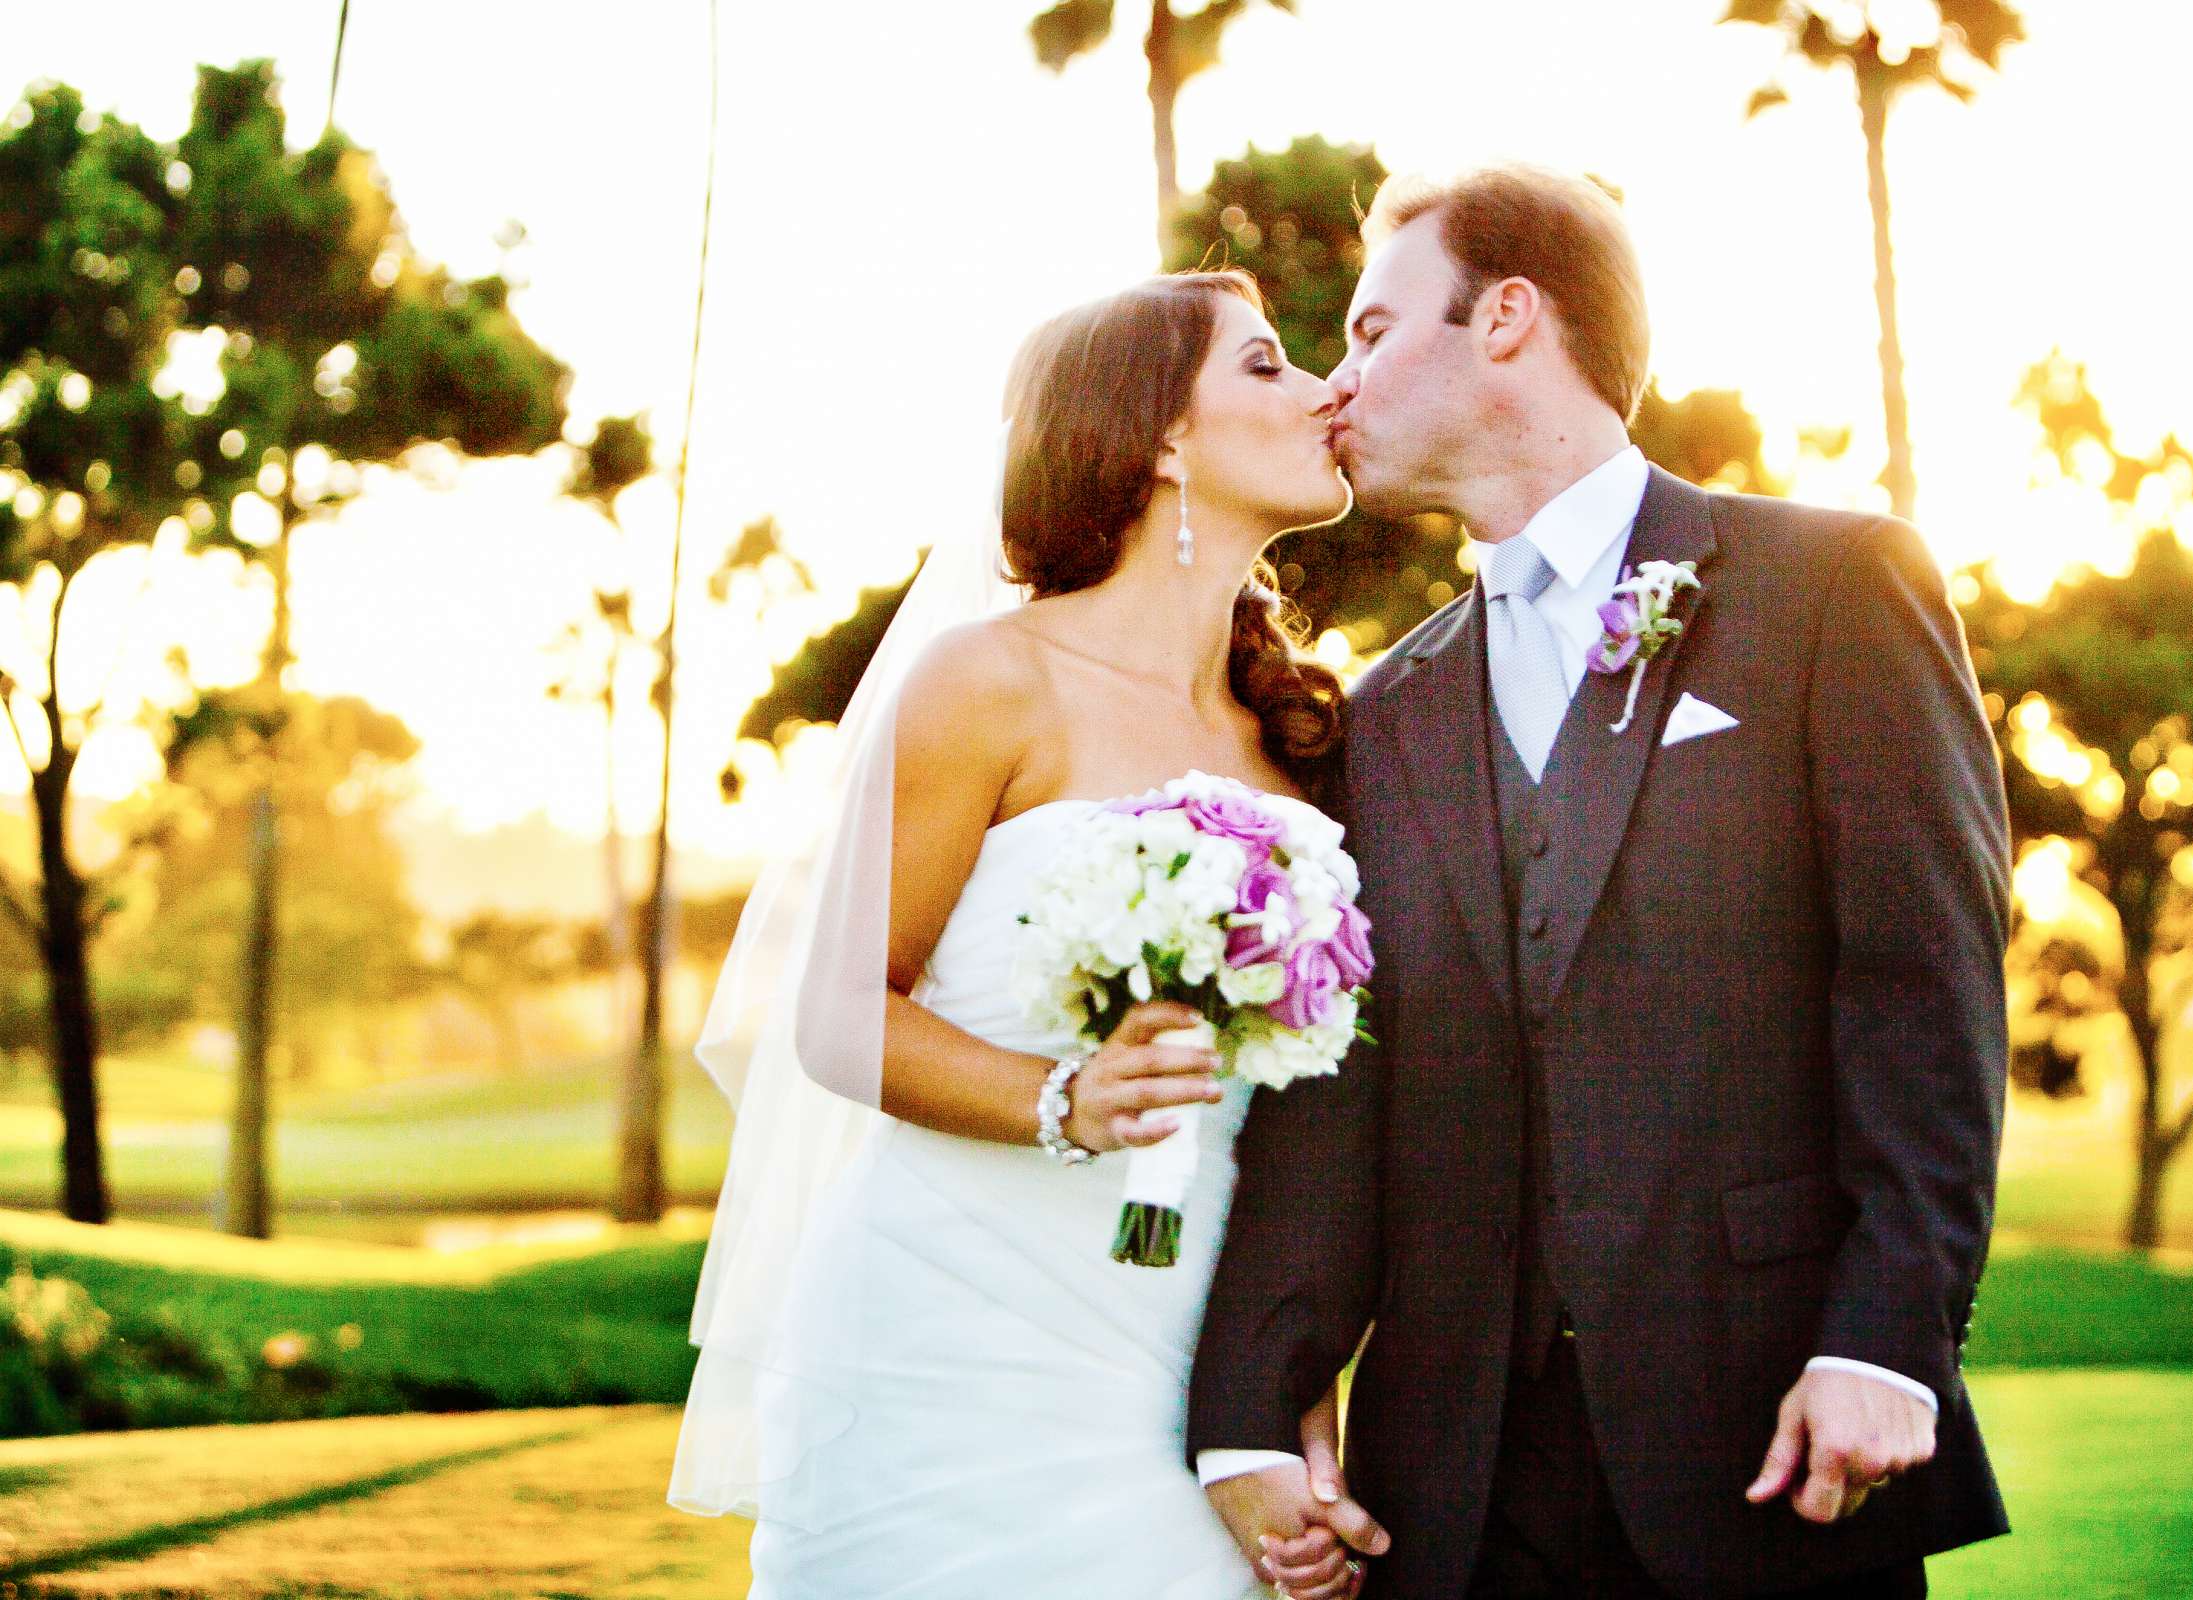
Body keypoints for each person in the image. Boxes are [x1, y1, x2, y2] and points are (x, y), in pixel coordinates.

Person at [1190, 165, 2013, 1599]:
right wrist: (1247, 1417)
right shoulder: (1382, 714)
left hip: (1777, 1439)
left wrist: (1886, 1336)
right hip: (1452, 1491)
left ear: (1506, 318)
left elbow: (1924, 990)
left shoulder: (1834, 587)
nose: (1338, 382)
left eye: (1375, 331)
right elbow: (1341, 1091)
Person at [668, 268, 1369, 1599]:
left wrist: (1291, 1392)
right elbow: (834, 1012)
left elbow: (1312, 1130)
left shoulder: (1304, 740)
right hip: (951, 1327)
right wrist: (1067, 1097)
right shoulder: (989, 681)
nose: (1326, 389)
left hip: (1181, 1344)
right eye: (1269, 364)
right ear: (1163, 436)